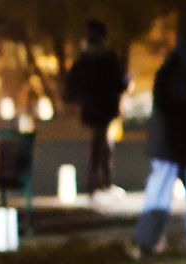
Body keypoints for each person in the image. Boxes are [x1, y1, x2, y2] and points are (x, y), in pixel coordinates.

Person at [132, 31, 186, 258]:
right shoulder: (180, 75)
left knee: (162, 193)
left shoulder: (173, 71)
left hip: (174, 143)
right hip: (175, 142)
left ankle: (149, 241)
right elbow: (181, 108)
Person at [64, 20, 127, 194]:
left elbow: (74, 81)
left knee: (102, 141)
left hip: (93, 105)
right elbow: (118, 82)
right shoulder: (108, 57)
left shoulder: (85, 57)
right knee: (101, 141)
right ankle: (98, 182)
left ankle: (100, 181)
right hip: (104, 105)